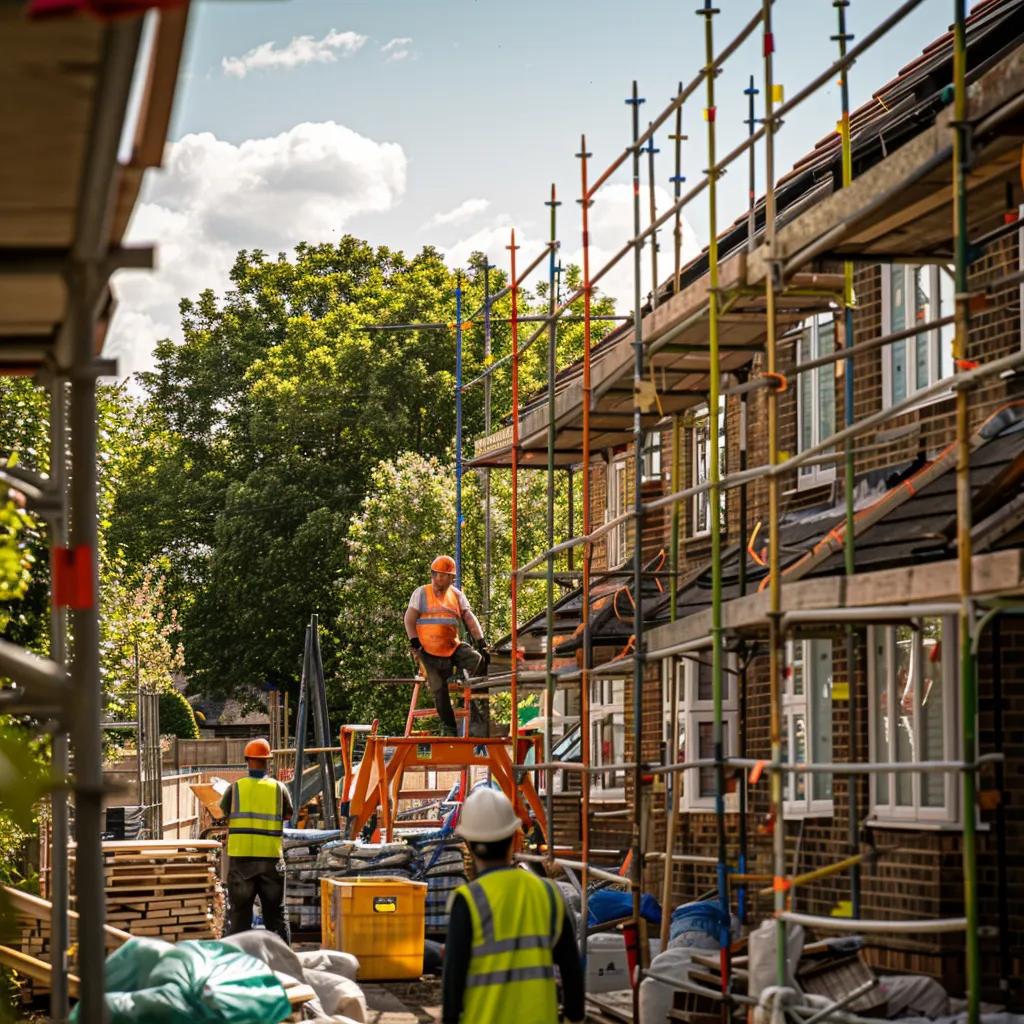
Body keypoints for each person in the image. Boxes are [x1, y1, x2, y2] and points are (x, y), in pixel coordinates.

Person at [442, 788, 584, 1024]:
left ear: (469, 844)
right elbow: (571, 969)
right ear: (512, 838)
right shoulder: (548, 893)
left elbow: (453, 981)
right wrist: (574, 1016)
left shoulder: (468, 901)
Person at [405, 554, 490, 736]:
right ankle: (450, 727)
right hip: (426, 651)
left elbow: (469, 617)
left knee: (477, 660)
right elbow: (409, 619)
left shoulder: (457, 595)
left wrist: (481, 641)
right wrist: (414, 642)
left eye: (443, 575)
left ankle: (477, 712)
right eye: (435, 574)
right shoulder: (421, 593)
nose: (437, 578)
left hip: (452, 647)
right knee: (438, 687)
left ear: (452, 578)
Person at [219, 737, 293, 944]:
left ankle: (236, 965)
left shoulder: (235, 789)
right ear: (268, 761)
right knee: (276, 917)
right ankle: (283, 965)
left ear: (247, 760)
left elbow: (224, 812)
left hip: (241, 861)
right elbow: (288, 815)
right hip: (270, 860)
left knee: (239, 917)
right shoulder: (279, 789)